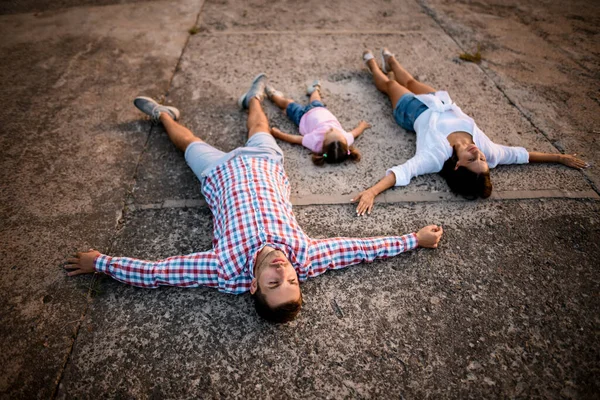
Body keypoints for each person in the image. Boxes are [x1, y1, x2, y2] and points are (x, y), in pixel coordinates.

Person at [64, 73, 444, 323]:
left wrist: (102, 263)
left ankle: (164, 115)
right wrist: (414, 240)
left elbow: (159, 273)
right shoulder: (306, 257)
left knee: (184, 141)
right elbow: (362, 248)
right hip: (264, 164)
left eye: (273, 283)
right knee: (259, 126)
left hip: (218, 174)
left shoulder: (225, 270)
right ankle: (254, 99)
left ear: (253, 285)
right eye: (291, 281)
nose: (282, 272)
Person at [352, 49, 589, 215]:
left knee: (391, 85)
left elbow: (403, 172)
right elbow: (521, 155)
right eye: (482, 159)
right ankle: (391, 62)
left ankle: (372, 66)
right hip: (441, 102)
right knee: (412, 82)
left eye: (471, 159)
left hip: (411, 112)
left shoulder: (436, 155)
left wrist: (371, 192)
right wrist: (559, 157)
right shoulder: (489, 151)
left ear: (457, 166)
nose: (478, 153)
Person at [265, 79, 371, 165]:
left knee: (288, 103)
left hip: (302, 116)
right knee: (316, 98)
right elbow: (354, 133)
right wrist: (362, 126)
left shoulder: (315, 142)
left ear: (323, 143)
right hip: (320, 109)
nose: (332, 128)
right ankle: (314, 89)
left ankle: (274, 96)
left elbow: (296, 139)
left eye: (329, 132)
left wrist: (279, 134)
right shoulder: (346, 139)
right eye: (335, 131)